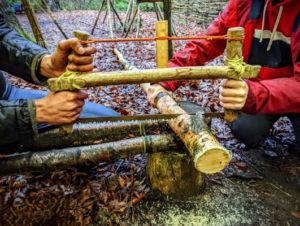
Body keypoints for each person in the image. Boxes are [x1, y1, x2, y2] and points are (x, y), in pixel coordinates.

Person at [149, 0, 300, 153]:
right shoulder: (243, 4)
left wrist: (256, 93)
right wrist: (166, 79)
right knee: (246, 131)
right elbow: (206, 43)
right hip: (258, 95)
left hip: (284, 95)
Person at [0, 13, 118, 147]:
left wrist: (45, 64)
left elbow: (1, 34)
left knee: (110, 121)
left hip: (6, 94)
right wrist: (33, 113)